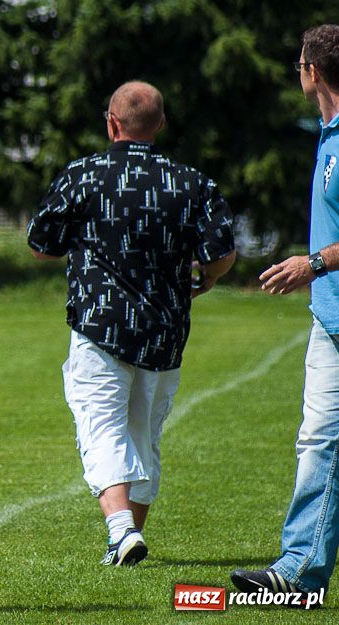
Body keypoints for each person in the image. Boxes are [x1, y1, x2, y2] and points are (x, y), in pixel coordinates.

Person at [27, 81, 236, 566]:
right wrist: (206, 279)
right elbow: (221, 253)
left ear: (112, 123)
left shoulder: (82, 175)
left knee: (101, 425)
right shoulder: (191, 182)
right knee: (144, 435)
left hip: (99, 326)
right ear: (160, 124)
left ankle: (121, 530)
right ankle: (125, 538)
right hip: (165, 331)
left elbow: (41, 245)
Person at [231, 25, 339, 606]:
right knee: (317, 442)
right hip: (330, 319)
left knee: (321, 443)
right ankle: (298, 572)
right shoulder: (327, 133)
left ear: (313, 72)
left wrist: (312, 264)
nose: (297, 71)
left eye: (299, 64)